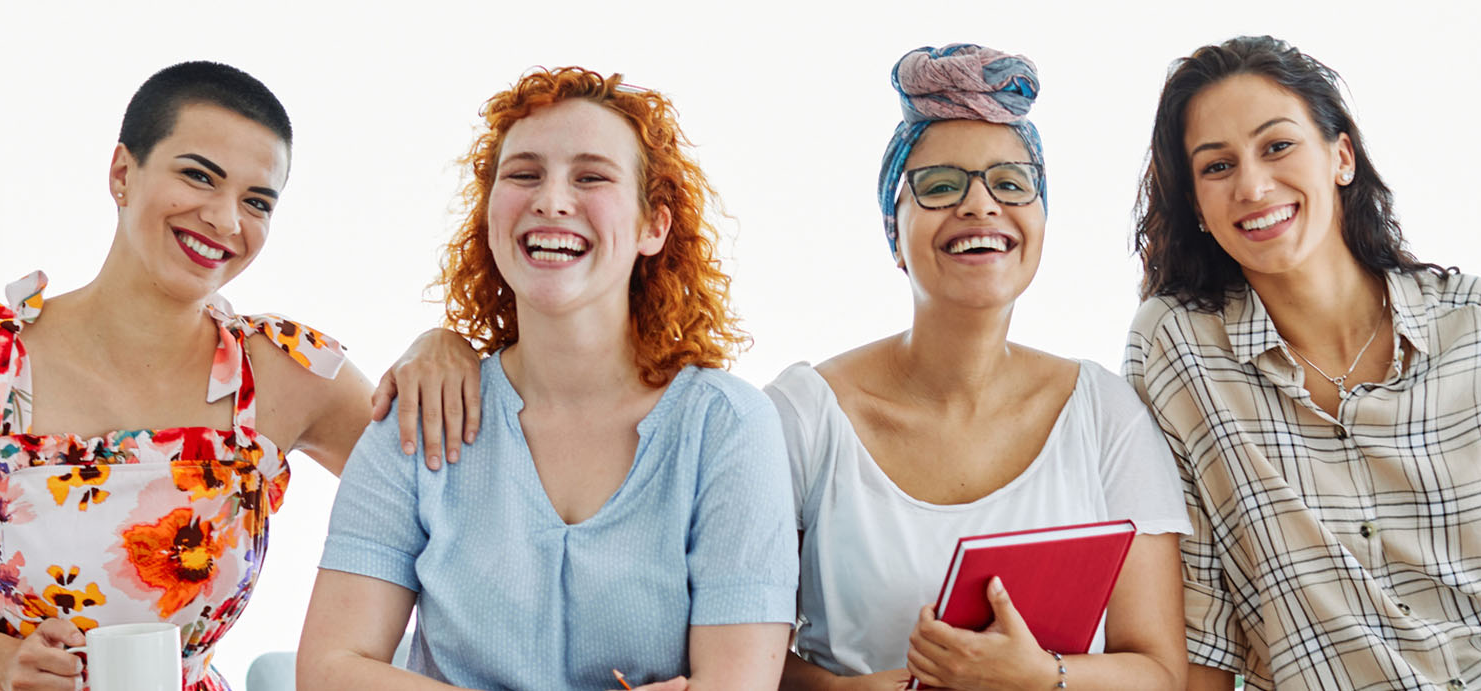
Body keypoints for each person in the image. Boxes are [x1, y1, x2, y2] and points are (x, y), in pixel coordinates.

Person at [297, 66, 799, 691]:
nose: (552, 199)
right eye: (524, 174)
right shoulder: (419, 413)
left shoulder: (726, 426)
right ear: (489, 213)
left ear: (654, 226)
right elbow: (329, 671)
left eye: (591, 176)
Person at [768, 44, 1190, 690]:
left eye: (1012, 183)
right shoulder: (803, 416)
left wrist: (1043, 676)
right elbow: (718, 640)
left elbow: (1160, 673)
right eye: (940, 186)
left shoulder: (1105, 417)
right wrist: (840, 689)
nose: (981, 206)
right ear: (894, 229)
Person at [0, 62, 376, 691]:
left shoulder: (286, 375)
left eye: (257, 202)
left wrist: (441, 347)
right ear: (122, 174)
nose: (225, 221)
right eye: (199, 176)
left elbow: (466, 511)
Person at [1126, 35, 1481, 690]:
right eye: (1217, 166)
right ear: (1197, 208)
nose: (1254, 186)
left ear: (1341, 155)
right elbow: (1202, 626)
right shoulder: (1181, 350)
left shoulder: (1473, 326)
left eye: (1277, 145)